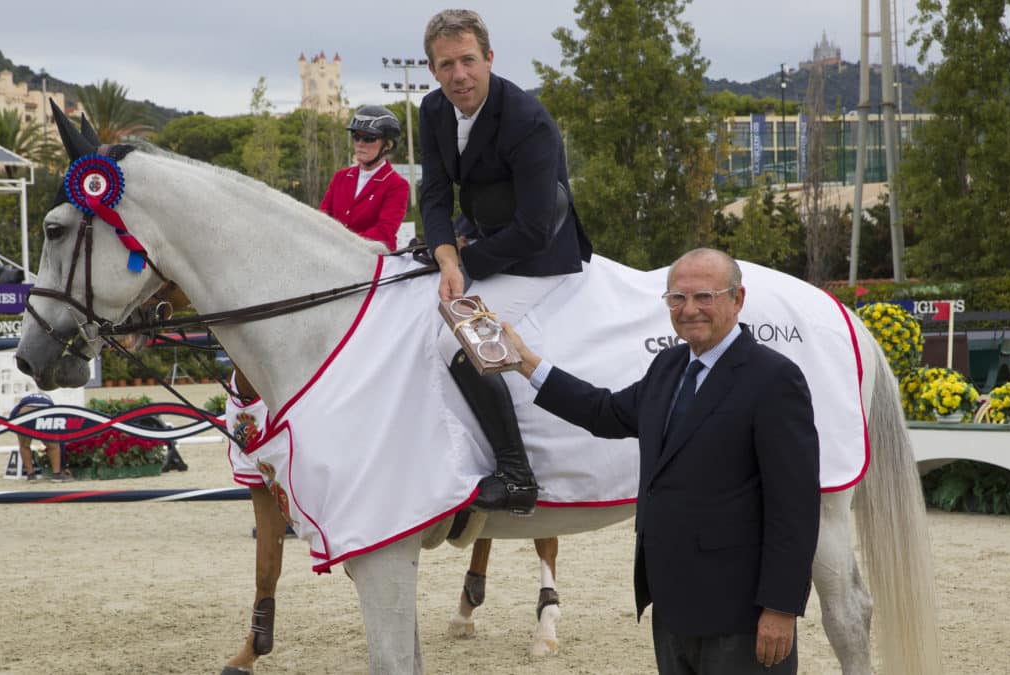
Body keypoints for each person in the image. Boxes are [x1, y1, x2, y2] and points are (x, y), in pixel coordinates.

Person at [504, 248, 821, 673]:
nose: (689, 309)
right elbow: (606, 412)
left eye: (704, 297)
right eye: (677, 298)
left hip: (740, 613)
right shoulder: (669, 366)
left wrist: (781, 608)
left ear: (737, 299)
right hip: (672, 605)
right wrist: (528, 364)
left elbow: (795, 506)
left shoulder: (774, 378)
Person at [420, 9, 592, 514]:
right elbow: (432, 194)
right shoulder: (432, 111)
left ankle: (516, 474)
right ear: (432, 70)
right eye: (447, 64)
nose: (459, 75)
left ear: (489, 58)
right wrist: (446, 255)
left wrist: (469, 266)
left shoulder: (527, 119)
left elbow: (536, 228)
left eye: (469, 61)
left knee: (457, 338)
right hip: (477, 240)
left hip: (540, 254)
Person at [320, 105, 410, 251]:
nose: (360, 143)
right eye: (356, 137)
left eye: (369, 138)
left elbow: (384, 232)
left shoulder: (397, 185)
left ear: (387, 145)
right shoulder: (340, 177)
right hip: (334, 257)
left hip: (373, 261)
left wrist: (343, 245)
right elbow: (323, 218)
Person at [10, 392, 69, 481]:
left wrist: (17, 431)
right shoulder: (49, 401)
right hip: (45, 410)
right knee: (53, 446)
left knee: (24, 445)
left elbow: (12, 415)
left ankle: (31, 475)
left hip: (25, 410)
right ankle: (56, 474)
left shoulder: (24, 401)